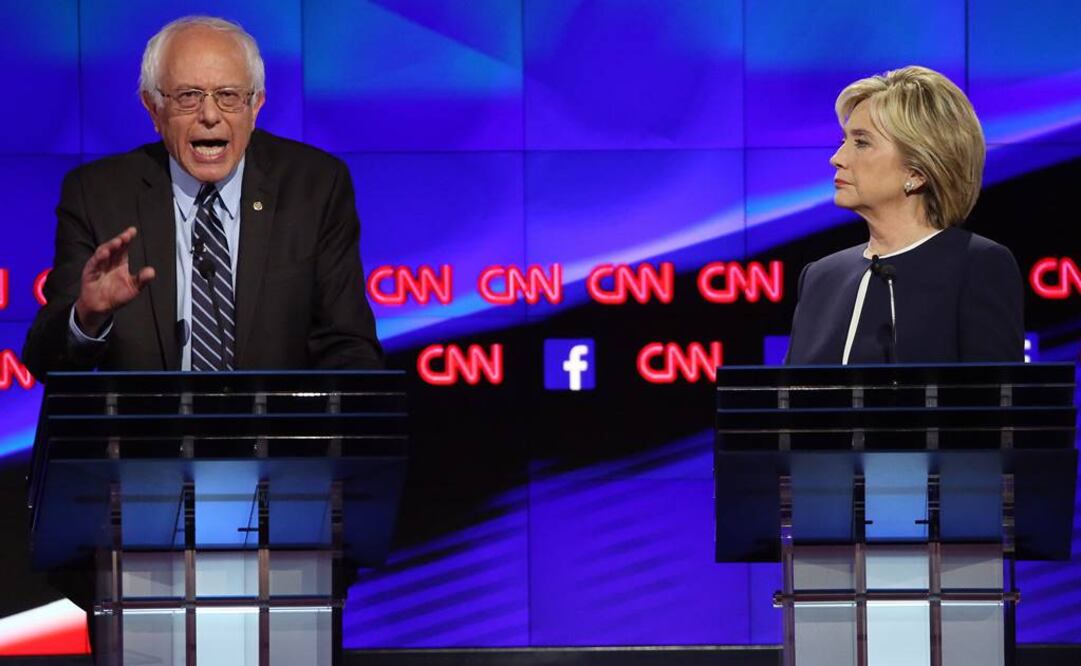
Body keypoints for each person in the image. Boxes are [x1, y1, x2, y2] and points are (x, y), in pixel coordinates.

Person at [23, 16, 383, 380]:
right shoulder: (97, 195)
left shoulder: (315, 187)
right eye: (187, 97)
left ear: (255, 105)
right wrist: (88, 316)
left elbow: (348, 347)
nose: (209, 116)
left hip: (273, 433)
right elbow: (44, 362)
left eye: (228, 96)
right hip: (148, 436)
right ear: (153, 108)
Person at [786, 65, 1023, 364]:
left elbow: (994, 402)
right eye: (843, 141)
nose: (837, 158)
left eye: (861, 142)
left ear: (917, 170)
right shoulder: (820, 278)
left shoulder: (976, 265)